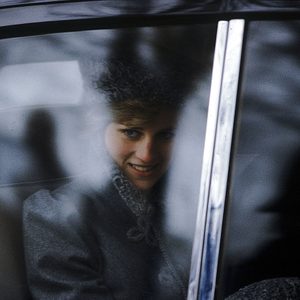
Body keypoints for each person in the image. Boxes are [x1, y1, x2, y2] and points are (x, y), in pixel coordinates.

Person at [22, 61, 190, 299]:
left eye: (166, 135)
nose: (147, 154)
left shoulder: (200, 198)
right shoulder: (56, 214)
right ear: (99, 129)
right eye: (132, 132)